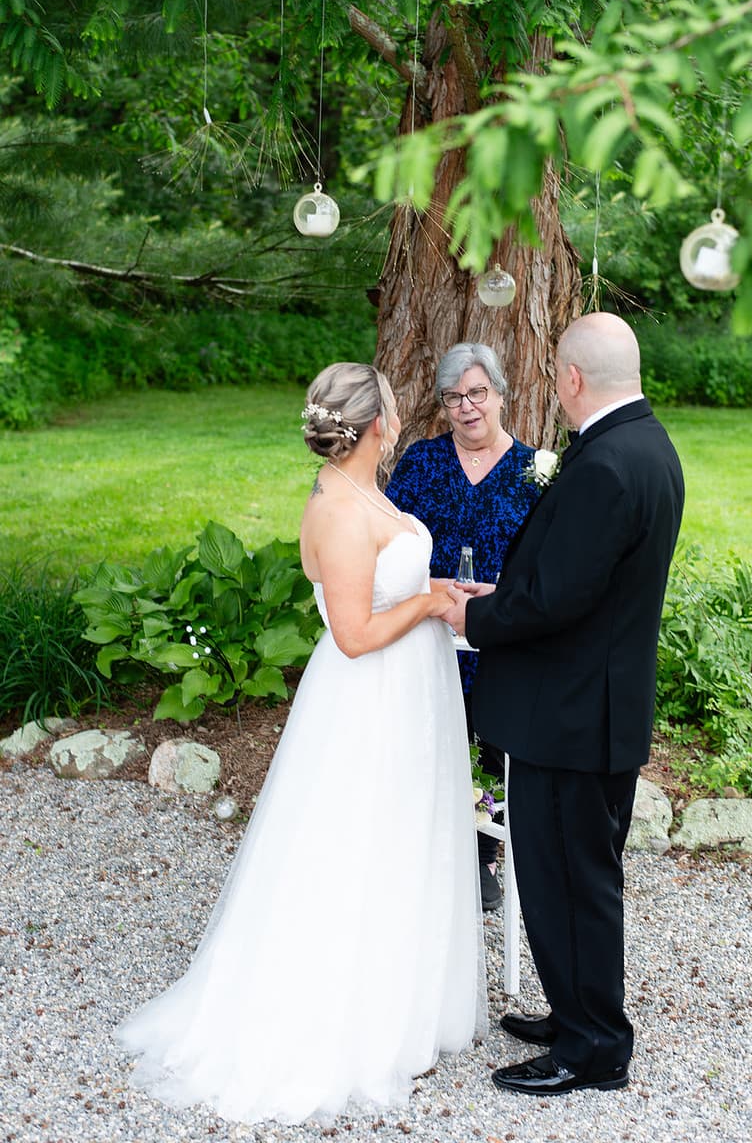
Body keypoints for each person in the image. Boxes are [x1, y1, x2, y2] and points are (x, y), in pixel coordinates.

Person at [117, 362, 485, 1125]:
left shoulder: (357, 488)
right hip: (372, 698)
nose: (396, 413)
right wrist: (426, 602)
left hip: (410, 692)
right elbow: (353, 635)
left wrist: (440, 594)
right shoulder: (340, 512)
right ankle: (349, 1016)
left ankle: (409, 1000)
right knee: (359, 846)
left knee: (404, 839)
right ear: (373, 423)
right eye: (388, 405)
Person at [442, 313, 685, 1098]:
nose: (555, 384)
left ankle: (594, 1050)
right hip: (591, 708)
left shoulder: (606, 465)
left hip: (572, 719)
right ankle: (578, 1013)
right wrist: (506, 594)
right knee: (571, 878)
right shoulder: (646, 448)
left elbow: (557, 601)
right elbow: (578, 587)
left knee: (570, 882)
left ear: (573, 379)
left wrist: (471, 615)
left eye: (555, 373)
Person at [385, 343, 540, 910]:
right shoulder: (420, 463)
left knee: (490, 746)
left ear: (501, 394)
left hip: (499, 639)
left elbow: (547, 564)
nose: (467, 407)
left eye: (478, 393)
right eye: (454, 397)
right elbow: (392, 544)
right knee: (425, 739)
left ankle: (481, 854)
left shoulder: (535, 473)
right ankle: (419, 846)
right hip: (426, 631)